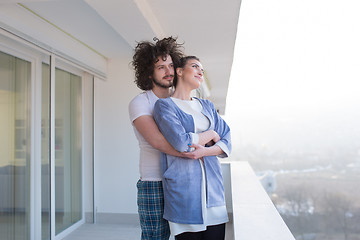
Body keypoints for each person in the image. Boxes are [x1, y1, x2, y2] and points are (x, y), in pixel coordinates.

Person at [129, 38, 214, 239]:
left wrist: (202, 145)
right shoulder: (141, 103)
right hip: (154, 182)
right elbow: (158, 142)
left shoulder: (181, 102)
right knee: (155, 237)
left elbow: (206, 136)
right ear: (149, 73)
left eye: (170, 65)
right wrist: (194, 151)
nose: (168, 71)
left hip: (183, 181)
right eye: (160, 67)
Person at [153, 56, 232, 240]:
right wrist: (211, 135)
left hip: (214, 193)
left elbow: (227, 140)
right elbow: (181, 142)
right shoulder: (165, 106)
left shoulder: (206, 106)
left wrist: (203, 151)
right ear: (179, 71)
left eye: (202, 70)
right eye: (195, 66)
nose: (200, 72)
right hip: (184, 194)